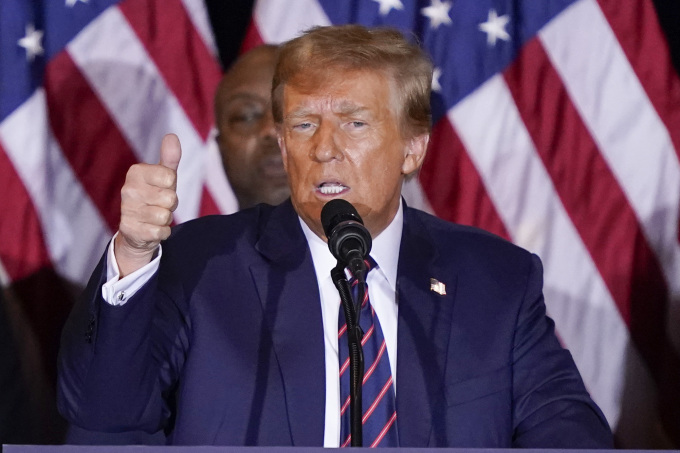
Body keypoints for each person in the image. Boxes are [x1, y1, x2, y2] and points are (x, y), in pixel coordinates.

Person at [58, 25, 613, 448]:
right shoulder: (202, 264)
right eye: (303, 125)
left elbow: (568, 432)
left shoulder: (495, 280)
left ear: (412, 148)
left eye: (354, 122)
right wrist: (132, 253)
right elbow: (103, 413)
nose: (323, 147)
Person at [214, 44, 290, 210]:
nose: (271, 129)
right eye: (246, 116)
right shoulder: (186, 236)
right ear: (221, 147)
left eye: (292, 111)